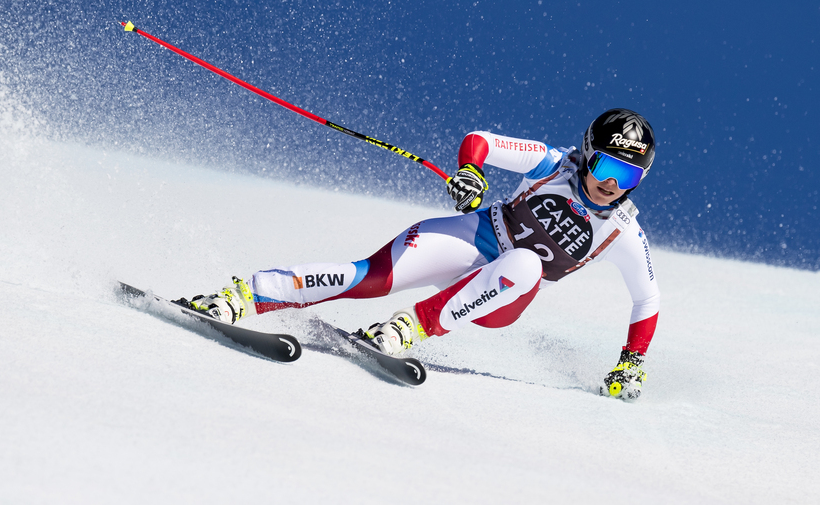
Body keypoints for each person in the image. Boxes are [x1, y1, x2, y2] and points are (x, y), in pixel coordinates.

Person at [181, 108, 660, 400]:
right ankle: (244, 296)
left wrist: (630, 361)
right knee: (369, 276)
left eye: (629, 177)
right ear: (586, 152)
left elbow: (647, 300)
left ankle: (405, 330)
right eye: (603, 165)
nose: (610, 184)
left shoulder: (622, 232)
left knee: (526, 263)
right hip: (477, 235)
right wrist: (471, 172)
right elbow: (482, 142)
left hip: (503, 295)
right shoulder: (554, 163)